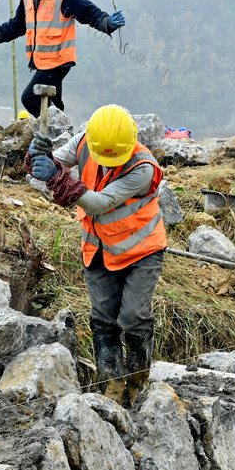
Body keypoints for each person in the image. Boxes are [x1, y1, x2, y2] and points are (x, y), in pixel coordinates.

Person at [26, 104, 165, 407]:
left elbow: (100, 202)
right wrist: (37, 155)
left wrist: (58, 177)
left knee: (132, 317)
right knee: (103, 319)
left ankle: (138, 380)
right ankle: (111, 388)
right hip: (99, 248)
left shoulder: (143, 168)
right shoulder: (87, 140)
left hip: (141, 252)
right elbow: (50, 165)